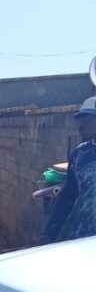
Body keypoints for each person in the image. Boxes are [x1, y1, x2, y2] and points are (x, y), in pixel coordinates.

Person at [42, 97, 96, 243]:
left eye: (87, 119)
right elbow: (68, 196)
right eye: (80, 119)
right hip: (81, 235)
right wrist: (49, 232)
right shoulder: (79, 154)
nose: (80, 125)